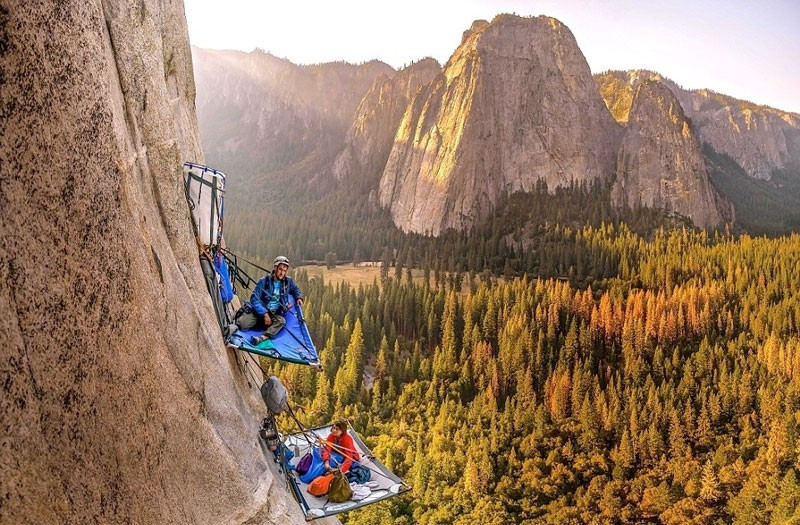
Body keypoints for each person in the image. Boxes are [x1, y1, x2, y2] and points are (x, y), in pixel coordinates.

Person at [238, 256, 304, 344]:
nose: (282, 273)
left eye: (284, 271)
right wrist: (265, 314)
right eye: (280, 269)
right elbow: (254, 298)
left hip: (275, 314)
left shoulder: (288, 282)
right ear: (275, 268)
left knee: (281, 321)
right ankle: (258, 323)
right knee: (242, 325)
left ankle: (263, 337)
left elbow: (295, 289)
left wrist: (298, 297)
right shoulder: (264, 281)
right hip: (259, 312)